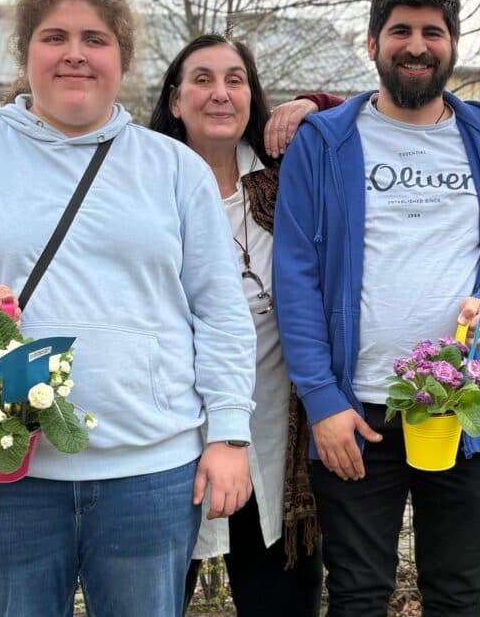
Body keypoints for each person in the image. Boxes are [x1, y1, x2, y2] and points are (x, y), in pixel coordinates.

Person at [0, 0, 256, 617]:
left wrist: (230, 434)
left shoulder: (175, 169)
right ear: (26, 53)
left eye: (94, 40)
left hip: (149, 474)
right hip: (7, 474)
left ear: (122, 59)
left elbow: (220, 311)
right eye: (55, 37)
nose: (75, 53)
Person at [272, 0, 480, 617]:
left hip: (462, 411)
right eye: (400, 30)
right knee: (356, 597)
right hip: (357, 415)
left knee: (457, 598)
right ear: (373, 43)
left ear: (452, 45)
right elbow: (295, 280)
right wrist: (322, 401)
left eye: (432, 32)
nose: (416, 45)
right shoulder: (324, 143)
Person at [149, 34, 330, 616]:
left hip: (273, 443)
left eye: (236, 80)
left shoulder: (288, 181)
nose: (220, 93)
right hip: (168, 442)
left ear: (254, 97)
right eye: (201, 80)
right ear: (175, 101)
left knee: (282, 604)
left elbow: (373, 118)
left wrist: (313, 103)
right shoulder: (143, 190)